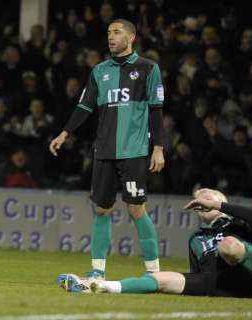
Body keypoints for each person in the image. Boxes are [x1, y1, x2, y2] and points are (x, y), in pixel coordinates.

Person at [50, 19, 165, 279]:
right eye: (108, 33)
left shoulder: (148, 69)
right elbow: (85, 107)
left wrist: (158, 148)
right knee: (102, 209)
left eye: (117, 32)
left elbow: (156, 111)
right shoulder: (100, 70)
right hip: (104, 152)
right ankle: (97, 272)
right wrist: (65, 133)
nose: (111, 37)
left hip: (134, 151)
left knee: (136, 209)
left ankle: (154, 272)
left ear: (131, 37)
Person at [60, 188, 252, 298]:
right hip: (216, 284)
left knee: (229, 244)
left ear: (221, 201)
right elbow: (198, 270)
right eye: (199, 201)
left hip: (245, 279)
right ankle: (99, 287)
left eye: (207, 197)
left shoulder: (240, 224)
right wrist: (191, 285)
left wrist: (218, 205)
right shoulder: (197, 238)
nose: (202, 201)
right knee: (158, 278)